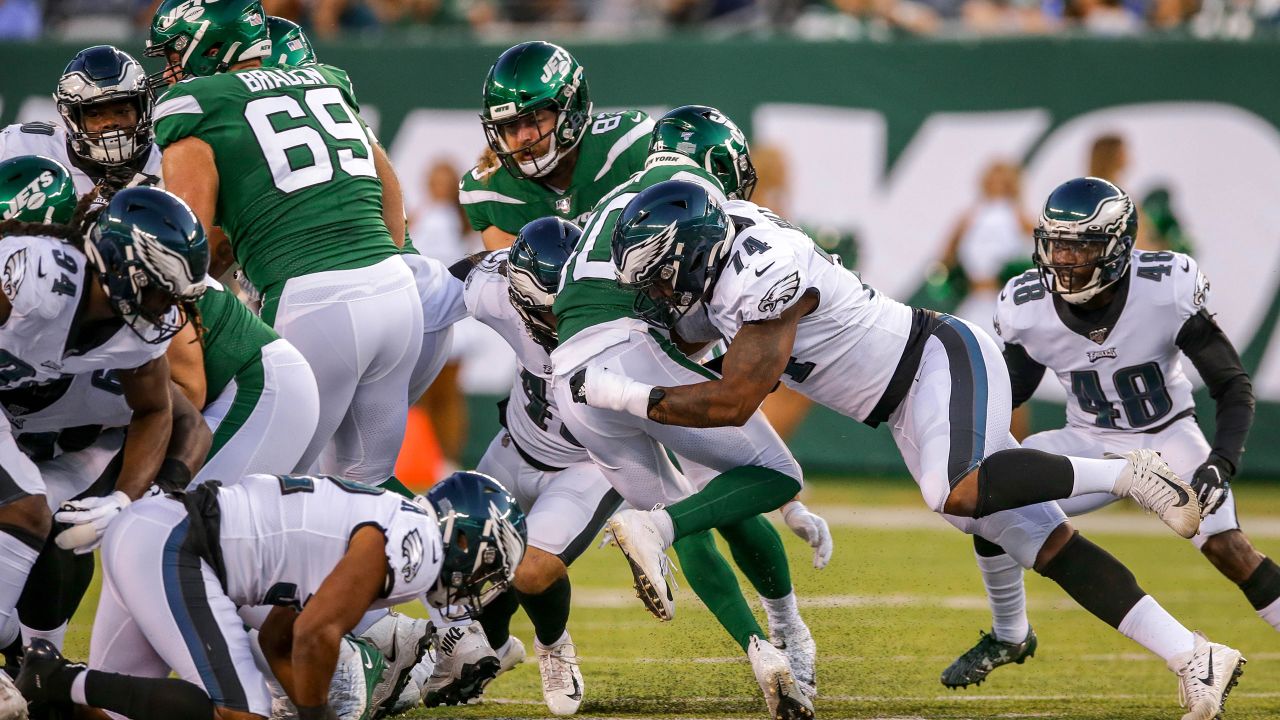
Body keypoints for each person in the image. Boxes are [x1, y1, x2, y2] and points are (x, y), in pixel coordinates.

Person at [573, 176, 1248, 720]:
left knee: (953, 490)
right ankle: (1195, 657)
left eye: (664, 273)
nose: (660, 289)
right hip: (902, 403)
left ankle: (1129, 473)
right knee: (1038, 543)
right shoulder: (722, 254)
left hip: (935, 360)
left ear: (695, 251)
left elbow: (733, 402)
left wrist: (620, 394)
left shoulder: (763, 273)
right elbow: (701, 347)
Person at [940, 176, 1277, 688]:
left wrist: (1220, 461)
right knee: (990, 497)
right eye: (1058, 245)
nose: (1066, 260)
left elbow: (1231, 385)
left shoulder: (1165, 287)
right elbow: (1011, 391)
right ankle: (1010, 633)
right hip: (1089, 441)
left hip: (1167, 437)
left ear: (1118, 246)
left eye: (1083, 246)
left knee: (1228, 550)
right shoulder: (1028, 305)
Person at [552, 106, 825, 720]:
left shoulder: (610, 200)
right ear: (720, 157)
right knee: (777, 474)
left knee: (691, 511)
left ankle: (763, 653)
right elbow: (713, 309)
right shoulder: (692, 197)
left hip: (570, 377)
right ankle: (791, 632)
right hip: (630, 353)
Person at [147, 0, 423, 485]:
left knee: (241, 491)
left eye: (174, 52)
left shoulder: (196, 104)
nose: (169, 66)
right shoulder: (324, 80)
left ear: (212, 46)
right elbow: (390, 194)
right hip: (397, 293)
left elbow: (181, 240)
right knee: (363, 491)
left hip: (314, 303)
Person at [15, 470, 527, 720]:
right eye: (491, 562)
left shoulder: (402, 522)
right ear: (465, 536)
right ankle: (55, 676)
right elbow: (314, 633)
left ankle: (45, 688)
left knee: (112, 714)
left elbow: (283, 632)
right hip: (180, 546)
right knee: (243, 713)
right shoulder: (418, 547)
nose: (485, 580)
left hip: (157, 535)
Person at [0, 183, 207, 709]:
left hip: (33, 432)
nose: (167, 310)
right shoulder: (40, 278)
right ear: (123, 267)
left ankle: (17, 660)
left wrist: (126, 499)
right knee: (25, 507)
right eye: (161, 290)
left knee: (35, 516)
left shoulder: (134, 340)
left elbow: (161, 412)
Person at [444, 217, 623, 714]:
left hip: (586, 465)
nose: (564, 318)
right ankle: (490, 651)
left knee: (531, 572)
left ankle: (553, 643)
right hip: (512, 447)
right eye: (550, 308)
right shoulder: (496, 291)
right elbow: (451, 282)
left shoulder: (622, 305)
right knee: (461, 560)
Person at [460, 41, 654, 250]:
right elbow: (513, 279)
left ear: (572, 110)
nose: (523, 136)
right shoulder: (490, 188)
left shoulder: (628, 142)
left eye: (535, 120)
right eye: (510, 126)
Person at [0, 45, 161, 195]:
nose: (110, 122)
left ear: (141, 110)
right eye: (95, 114)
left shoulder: (168, 162)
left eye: (122, 111)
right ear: (71, 117)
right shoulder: (25, 145)